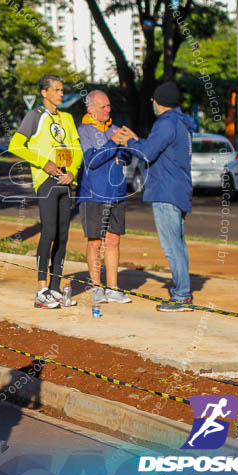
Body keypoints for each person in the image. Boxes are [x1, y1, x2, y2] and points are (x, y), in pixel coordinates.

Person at [122, 81, 198, 312]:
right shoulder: (182, 123)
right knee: (178, 245)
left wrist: (131, 141)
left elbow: (146, 153)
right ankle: (182, 292)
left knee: (172, 247)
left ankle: (182, 296)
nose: (152, 105)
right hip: (179, 189)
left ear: (158, 102)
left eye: (153, 100)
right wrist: (137, 139)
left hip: (166, 191)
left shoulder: (166, 123)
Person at [9, 75, 83, 309]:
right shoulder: (35, 115)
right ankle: (41, 289)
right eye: (57, 90)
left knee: (63, 235)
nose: (61, 93)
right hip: (46, 181)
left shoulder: (68, 118)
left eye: (62, 90)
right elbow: (16, 145)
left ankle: (55, 287)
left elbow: (77, 149)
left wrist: (72, 171)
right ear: (44, 92)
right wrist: (44, 163)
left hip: (65, 182)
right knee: (49, 231)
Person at [76, 91, 133, 305]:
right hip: (93, 195)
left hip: (116, 193)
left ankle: (113, 288)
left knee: (114, 240)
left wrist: (126, 144)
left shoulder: (114, 128)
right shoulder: (84, 130)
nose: (108, 110)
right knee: (95, 242)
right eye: (103, 107)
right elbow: (92, 159)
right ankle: (96, 287)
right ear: (91, 110)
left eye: (109, 106)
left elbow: (126, 158)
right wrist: (112, 143)